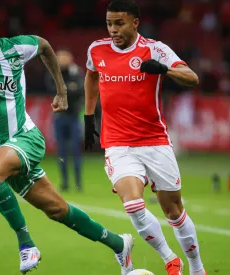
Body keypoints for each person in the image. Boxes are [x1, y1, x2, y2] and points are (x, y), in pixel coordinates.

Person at [0, 5, 134, 275]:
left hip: (26, 137)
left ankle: (26, 244)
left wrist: (61, 90)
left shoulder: (15, 47)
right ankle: (119, 244)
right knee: (58, 209)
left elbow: (45, 46)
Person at [84, 1, 206, 275]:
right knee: (133, 204)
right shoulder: (97, 49)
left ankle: (197, 268)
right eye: (109, 24)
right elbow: (91, 77)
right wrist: (89, 117)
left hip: (155, 141)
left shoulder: (154, 49)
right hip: (117, 144)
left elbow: (192, 78)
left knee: (173, 210)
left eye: (119, 23)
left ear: (135, 22)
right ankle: (169, 258)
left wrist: (164, 70)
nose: (113, 30)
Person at [44, 48, 85, 192]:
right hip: (60, 117)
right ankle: (65, 182)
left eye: (64, 58)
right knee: (61, 151)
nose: (62, 61)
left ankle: (78, 182)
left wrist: (63, 89)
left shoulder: (76, 72)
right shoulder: (53, 73)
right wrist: (69, 88)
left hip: (73, 116)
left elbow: (80, 90)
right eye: (59, 58)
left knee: (75, 150)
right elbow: (51, 89)